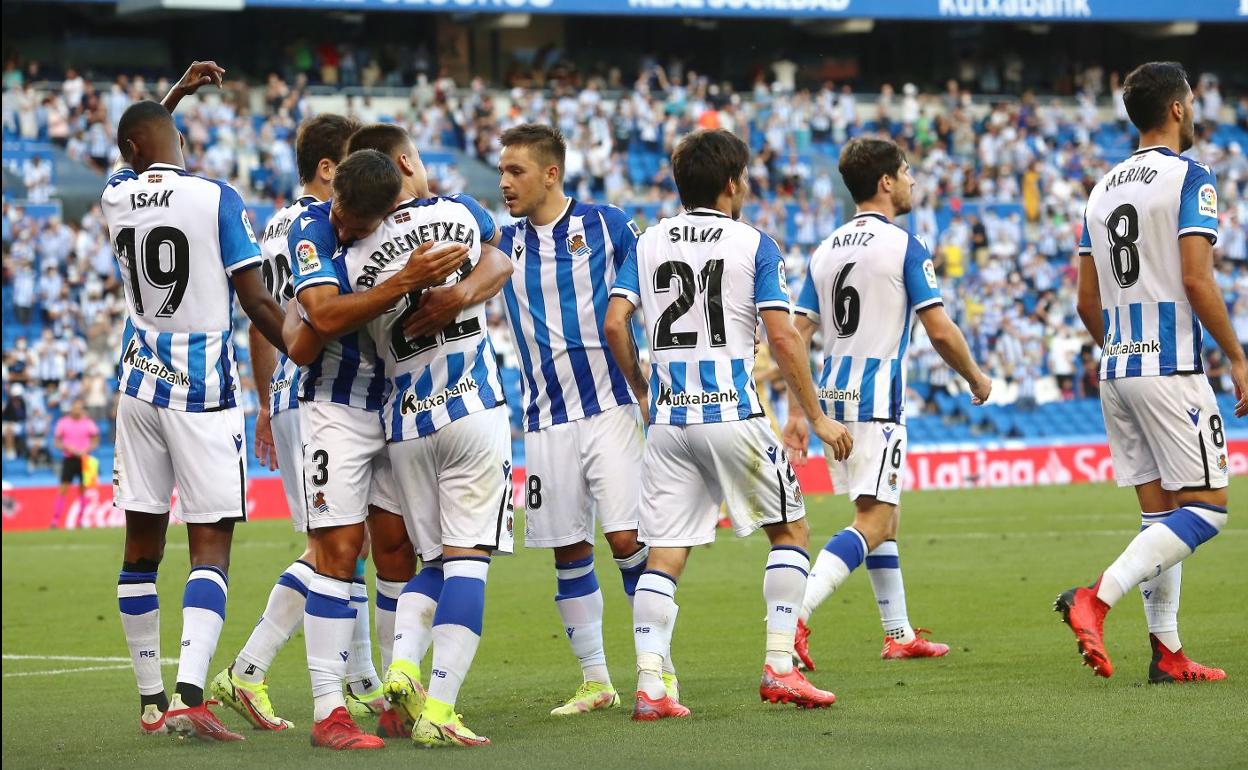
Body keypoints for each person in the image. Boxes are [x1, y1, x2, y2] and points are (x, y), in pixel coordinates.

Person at [603, 129, 852, 721]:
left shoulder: (648, 241)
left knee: (664, 553)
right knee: (790, 532)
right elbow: (783, 333)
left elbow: (616, 324)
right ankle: (780, 668)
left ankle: (651, 687)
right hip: (732, 414)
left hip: (668, 422)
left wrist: (643, 391)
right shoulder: (753, 242)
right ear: (732, 183)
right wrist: (814, 415)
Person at [289, 133, 512, 747]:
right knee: (464, 561)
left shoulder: (352, 263)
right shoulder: (460, 214)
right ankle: (435, 708)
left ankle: (400, 679)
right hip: (465, 410)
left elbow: (315, 326)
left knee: (423, 562)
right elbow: (504, 252)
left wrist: (454, 293)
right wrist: (448, 288)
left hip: (403, 423)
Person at [105, 62, 288, 741]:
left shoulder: (116, 197)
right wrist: (305, 347)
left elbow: (136, 152)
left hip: (138, 387)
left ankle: (152, 702)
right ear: (175, 140)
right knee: (210, 544)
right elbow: (256, 301)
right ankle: (189, 692)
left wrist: (170, 97)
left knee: (141, 545)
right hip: (204, 395)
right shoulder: (215, 197)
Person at [209, 112, 403, 735]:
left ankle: (360, 682)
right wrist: (274, 401)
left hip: (298, 395)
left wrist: (268, 402)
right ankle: (259, 670)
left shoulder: (276, 226)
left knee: (348, 545)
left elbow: (260, 318)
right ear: (329, 169)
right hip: (320, 393)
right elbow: (294, 317)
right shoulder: (311, 226)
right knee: (334, 548)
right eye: (349, 161)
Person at [1058, 61, 1245, 683]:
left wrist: (1120, 353)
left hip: (1117, 366)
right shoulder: (1191, 176)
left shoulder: (1102, 187)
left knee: (1161, 516)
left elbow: (1086, 301)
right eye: (1190, 101)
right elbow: (1196, 278)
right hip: (1170, 366)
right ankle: (1096, 598)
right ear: (1178, 108)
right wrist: (1240, 358)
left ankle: (1167, 654)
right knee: (1209, 509)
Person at [784, 137, 992, 671]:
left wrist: (800, 415)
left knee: (886, 517)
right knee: (873, 520)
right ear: (885, 182)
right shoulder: (904, 244)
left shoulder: (825, 248)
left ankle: (898, 633)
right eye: (906, 172)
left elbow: (796, 335)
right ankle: (792, 621)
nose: (912, 181)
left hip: (833, 399)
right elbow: (940, 331)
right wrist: (975, 375)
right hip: (877, 401)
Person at [494, 123, 665, 715]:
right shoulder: (501, 241)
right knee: (567, 548)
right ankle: (596, 679)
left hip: (611, 406)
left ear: (550, 173)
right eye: (500, 171)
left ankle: (655, 668)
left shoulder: (609, 225)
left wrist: (648, 387)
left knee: (626, 540)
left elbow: (645, 298)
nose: (504, 182)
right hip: (544, 417)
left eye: (515, 171)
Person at [50, 399, 99, 528]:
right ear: (71, 409)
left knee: (83, 489)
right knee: (63, 488)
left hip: (84, 459)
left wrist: (86, 449)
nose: (78, 410)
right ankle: (55, 520)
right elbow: (57, 442)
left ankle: (81, 520)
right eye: (76, 408)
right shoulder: (63, 422)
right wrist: (67, 447)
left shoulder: (88, 423)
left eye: (80, 408)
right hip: (69, 458)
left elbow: (95, 441)